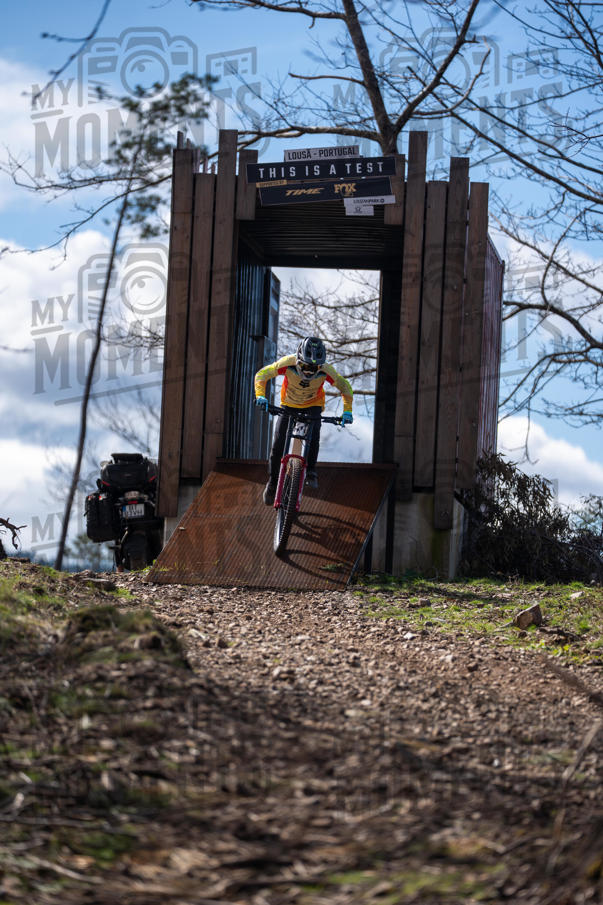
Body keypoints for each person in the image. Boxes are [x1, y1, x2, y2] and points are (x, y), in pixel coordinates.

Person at [254, 336, 353, 505]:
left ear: (321, 365)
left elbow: (345, 387)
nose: (308, 371)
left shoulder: (326, 370)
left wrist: (347, 411)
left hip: (312, 405)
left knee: (314, 433)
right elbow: (262, 374)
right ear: (298, 360)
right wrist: (261, 396)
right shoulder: (287, 363)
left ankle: (311, 470)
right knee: (278, 442)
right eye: (305, 366)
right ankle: (272, 483)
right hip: (288, 404)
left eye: (314, 367)